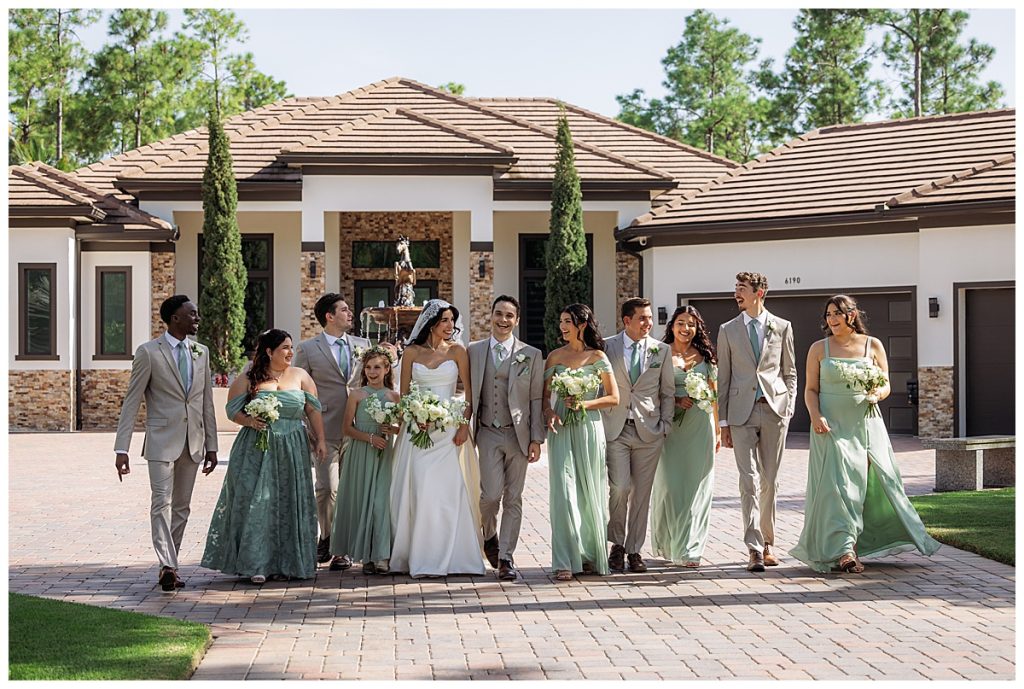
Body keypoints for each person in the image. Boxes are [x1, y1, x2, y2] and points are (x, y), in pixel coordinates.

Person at [791, 296, 940, 573]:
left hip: (866, 423)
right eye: (828, 314)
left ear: (851, 315)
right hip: (830, 425)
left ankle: (859, 542)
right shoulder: (818, 348)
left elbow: (885, 383)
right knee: (837, 486)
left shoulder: (873, 345)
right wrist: (815, 415)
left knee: (869, 484)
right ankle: (845, 550)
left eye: (837, 313)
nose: (831, 319)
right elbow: (810, 389)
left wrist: (877, 394)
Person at [202, 329, 326, 584]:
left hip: (292, 446)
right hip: (256, 448)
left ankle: (289, 563)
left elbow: (313, 411)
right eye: (284, 348)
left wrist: (321, 440)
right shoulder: (249, 378)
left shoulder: (301, 376)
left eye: (291, 347)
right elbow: (232, 411)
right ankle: (256, 563)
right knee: (257, 501)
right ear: (269, 351)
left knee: (290, 500)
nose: (290, 352)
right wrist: (250, 421)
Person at [114, 295, 218, 592]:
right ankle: (169, 565)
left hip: (193, 441)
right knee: (161, 502)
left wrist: (212, 445)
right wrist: (122, 448)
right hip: (160, 440)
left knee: (182, 506)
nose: (197, 319)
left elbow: (206, 401)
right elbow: (132, 400)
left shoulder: (201, 352)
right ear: (176, 318)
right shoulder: (148, 352)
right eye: (192, 314)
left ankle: (168, 566)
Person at [389, 299, 485, 577]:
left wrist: (464, 426)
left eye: (452, 320)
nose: (450, 325)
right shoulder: (411, 352)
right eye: (444, 320)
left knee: (448, 491)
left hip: (449, 431)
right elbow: (404, 394)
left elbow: (469, 394)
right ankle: (420, 556)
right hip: (418, 431)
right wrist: (415, 416)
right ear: (431, 323)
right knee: (421, 488)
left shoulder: (458, 351)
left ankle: (456, 557)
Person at [717, 272, 798, 572]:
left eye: (742, 289)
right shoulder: (727, 330)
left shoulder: (782, 326)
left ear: (759, 293)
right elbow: (723, 378)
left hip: (774, 411)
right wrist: (723, 422)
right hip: (741, 413)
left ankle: (768, 543)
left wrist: (788, 406)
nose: (736, 294)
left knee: (770, 481)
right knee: (748, 480)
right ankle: (754, 548)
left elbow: (790, 372)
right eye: (735, 288)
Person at [468, 295, 545, 581]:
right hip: (487, 431)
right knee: (489, 496)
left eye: (509, 315)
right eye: (499, 314)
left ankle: (505, 557)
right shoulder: (474, 351)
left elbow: (536, 398)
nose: (503, 320)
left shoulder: (531, 354)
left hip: (518, 434)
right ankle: (489, 535)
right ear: (491, 316)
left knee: (513, 497)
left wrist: (536, 438)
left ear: (517, 320)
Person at [292, 294, 370, 571]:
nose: (350, 314)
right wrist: (308, 428)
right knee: (328, 488)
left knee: (351, 490)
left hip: (360, 428)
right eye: (345, 310)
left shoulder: (364, 345)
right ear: (329, 316)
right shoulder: (307, 349)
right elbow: (298, 390)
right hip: (325, 429)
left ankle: (341, 549)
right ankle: (327, 536)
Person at [543, 304, 620, 582]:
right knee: (564, 492)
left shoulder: (598, 356)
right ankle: (565, 559)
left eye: (568, 321)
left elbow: (614, 397)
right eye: (561, 321)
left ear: (582, 324)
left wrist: (584, 404)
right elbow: (544, 397)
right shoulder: (554, 357)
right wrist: (550, 413)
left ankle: (589, 555)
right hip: (562, 427)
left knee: (590, 493)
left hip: (589, 427)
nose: (562, 326)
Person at [600, 297, 676, 573]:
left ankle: (634, 550)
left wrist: (665, 425)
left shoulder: (661, 350)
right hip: (616, 429)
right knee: (620, 488)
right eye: (642, 318)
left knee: (642, 494)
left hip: (649, 431)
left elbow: (667, 391)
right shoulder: (607, 346)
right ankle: (616, 545)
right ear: (627, 321)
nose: (648, 323)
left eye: (650, 318)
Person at [650, 306, 721, 567]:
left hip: (701, 426)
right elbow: (650, 391)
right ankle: (671, 543)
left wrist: (717, 429)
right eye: (681, 322)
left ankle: (691, 548)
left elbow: (714, 394)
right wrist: (676, 400)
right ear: (672, 325)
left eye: (691, 324)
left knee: (697, 487)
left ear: (697, 328)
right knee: (671, 487)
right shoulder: (659, 352)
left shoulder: (705, 356)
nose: (686, 328)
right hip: (671, 429)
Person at [331, 345, 401, 575]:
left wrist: (392, 429)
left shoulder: (394, 396)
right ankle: (367, 557)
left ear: (387, 369)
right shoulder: (357, 395)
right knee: (363, 503)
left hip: (384, 455)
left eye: (377, 367)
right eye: (369, 367)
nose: (372, 372)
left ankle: (382, 555)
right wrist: (370, 438)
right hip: (361, 452)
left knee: (380, 503)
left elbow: (402, 428)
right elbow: (346, 428)